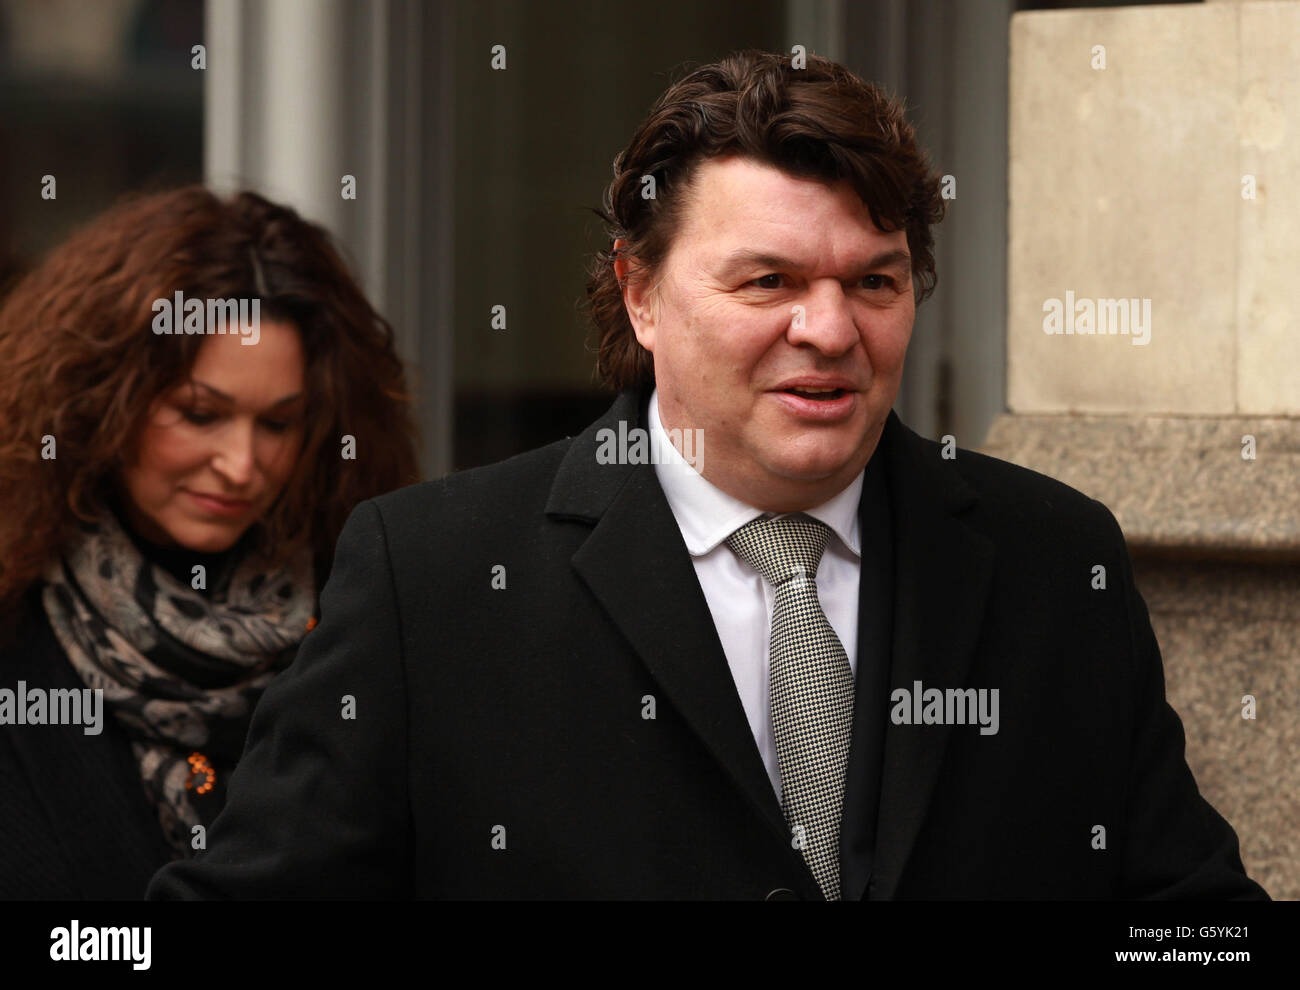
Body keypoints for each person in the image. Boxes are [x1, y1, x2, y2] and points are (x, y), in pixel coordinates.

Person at [148, 51, 1266, 900]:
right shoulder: (434, 579)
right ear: (639, 294)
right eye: (768, 280)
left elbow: (1184, 913)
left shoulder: (1048, 559)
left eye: (874, 283)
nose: (828, 329)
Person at [0, 187, 420, 898]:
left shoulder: (362, 625)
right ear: (102, 401)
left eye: (279, 424)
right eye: (201, 414)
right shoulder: (15, 620)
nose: (241, 464)